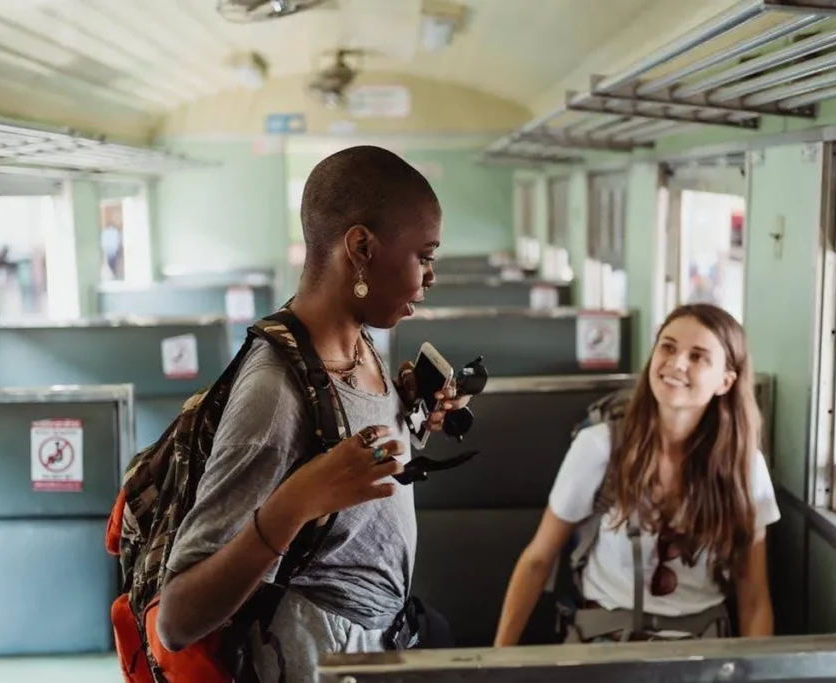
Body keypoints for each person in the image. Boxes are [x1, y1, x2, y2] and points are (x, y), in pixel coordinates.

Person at [155, 145, 467, 683]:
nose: (431, 275)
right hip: (313, 662)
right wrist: (297, 501)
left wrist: (407, 413)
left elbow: (345, 483)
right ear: (362, 248)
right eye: (425, 255)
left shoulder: (360, 344)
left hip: (375, 646)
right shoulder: (273, 394)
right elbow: (178, 620)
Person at [494, 303, 779, 645]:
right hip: (606, 642)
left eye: (698, 356)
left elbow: (754, 597)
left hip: (702, 647)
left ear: (725, 381)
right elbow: (538, 559)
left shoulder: (745, 467)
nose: (676, 364)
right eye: (668, 347)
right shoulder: (599, 447)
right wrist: (498, 660)